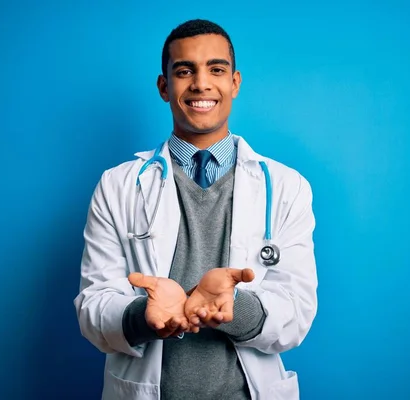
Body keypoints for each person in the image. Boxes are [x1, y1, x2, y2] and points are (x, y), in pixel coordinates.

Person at [74, 19, 318, 400]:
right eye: (184, 71)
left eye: (216, 69)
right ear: (164, 86)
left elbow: (297, 313)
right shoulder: (118, 185)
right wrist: (143, 316)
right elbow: (93, 308)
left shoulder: (287, 187)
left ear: (235, 82)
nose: (201, 83)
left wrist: (233, 307)